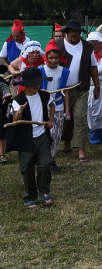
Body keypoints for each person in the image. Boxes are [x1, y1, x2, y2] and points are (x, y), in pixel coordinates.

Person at [7, 67, 55, 208]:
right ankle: (30, 196)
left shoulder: (44, 95)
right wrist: (19, 112)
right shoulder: (18, 100)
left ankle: (45, 191)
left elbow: (52, 105)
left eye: (38, 82)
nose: (37, 85)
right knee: (27, 168)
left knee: (45, 164)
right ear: (26, 84)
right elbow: (15, 120)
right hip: (26, 139)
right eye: (33, 83)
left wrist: (50, 121)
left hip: (41, 136)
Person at [58, 19, 100, 163]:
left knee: (80, 117)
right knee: (65, 118)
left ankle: (81, 150)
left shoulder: (88, 46)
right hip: (62, 90)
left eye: (77, 31)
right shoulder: (58, 45)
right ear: (67, 32)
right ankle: (67, 143)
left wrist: (97, 85)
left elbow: (93, 66)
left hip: (82, 87)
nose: (74, 34)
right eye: (72, 31)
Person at [40, 41, 69, 171]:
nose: (53, 60)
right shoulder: (40, 70)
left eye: (56, 58)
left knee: (56, 134)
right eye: (51, 58)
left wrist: (67, 109)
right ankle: (42, 159)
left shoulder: (64, 71)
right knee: (44, 134)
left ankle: (51, 159)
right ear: (46, 57)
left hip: (58, 106)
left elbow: (66, 90)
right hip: (43, 107)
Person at [0, 65, 10, 164]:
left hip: (1, 111)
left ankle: (2, 154)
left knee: (1, 132)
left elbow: (4, 88)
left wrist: (6, 94)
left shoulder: (1, 82)